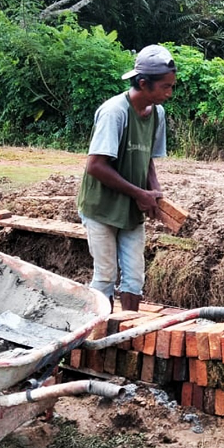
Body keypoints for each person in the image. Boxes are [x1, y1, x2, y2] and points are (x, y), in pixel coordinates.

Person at [77, 45, 177, 312]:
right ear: (143, 83)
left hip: (131, 209)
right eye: (165, 87)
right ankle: (100, 331)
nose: (169, 93)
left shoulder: (157, 113)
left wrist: (155, 192)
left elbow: (147, 159)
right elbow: (96, 166)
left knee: (134, 277)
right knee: (106, 275)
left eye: (171, 86)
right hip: (102, 207)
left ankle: (127, 331)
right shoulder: (115, 112)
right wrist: (139, 193)